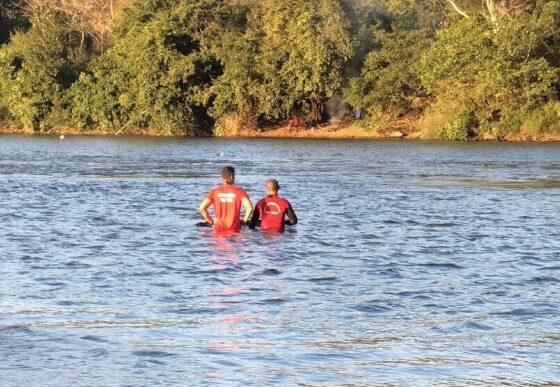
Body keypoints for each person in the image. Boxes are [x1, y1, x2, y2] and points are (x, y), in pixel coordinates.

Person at [199, 166, 253, 232]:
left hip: (218, 228)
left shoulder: (214, 192)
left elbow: (202, 208)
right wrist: (244, 221)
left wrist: (210, 221)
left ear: (222, 178)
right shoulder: (240, 191)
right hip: (234, 228)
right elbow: (250, 208)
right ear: (231, 177)